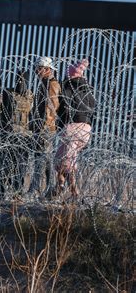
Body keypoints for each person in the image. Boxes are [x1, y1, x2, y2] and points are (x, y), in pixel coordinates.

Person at [55, 59, 95, 198]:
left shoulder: (68, 88)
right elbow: (93, 110)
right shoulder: (88, 89)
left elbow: (62, 107)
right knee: (70, 159)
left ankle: (71, 190)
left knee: (62, 160)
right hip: (86, 130)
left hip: (71, 128)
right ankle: (61, 187)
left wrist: (58, 122)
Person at [0, 70, 34, 196]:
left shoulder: (31, 97)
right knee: (4, 163)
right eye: (18, 81)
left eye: (23, 81)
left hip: (24, 137)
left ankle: (17, 191)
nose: (20, 83)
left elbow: (35, 116)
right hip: (8, 135)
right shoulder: (7, 93)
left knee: (20, 165)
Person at [28, 56, 61, 197]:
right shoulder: (45, 83)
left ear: (47, 69)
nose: (36, 71)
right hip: (41, 126)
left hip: (45, 128)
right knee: (46, 159)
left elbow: (52, 106)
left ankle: (34, 188)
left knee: (40, 158)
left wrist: (43, 125)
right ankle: (50, 189)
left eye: (39, 68)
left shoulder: (51, 84)